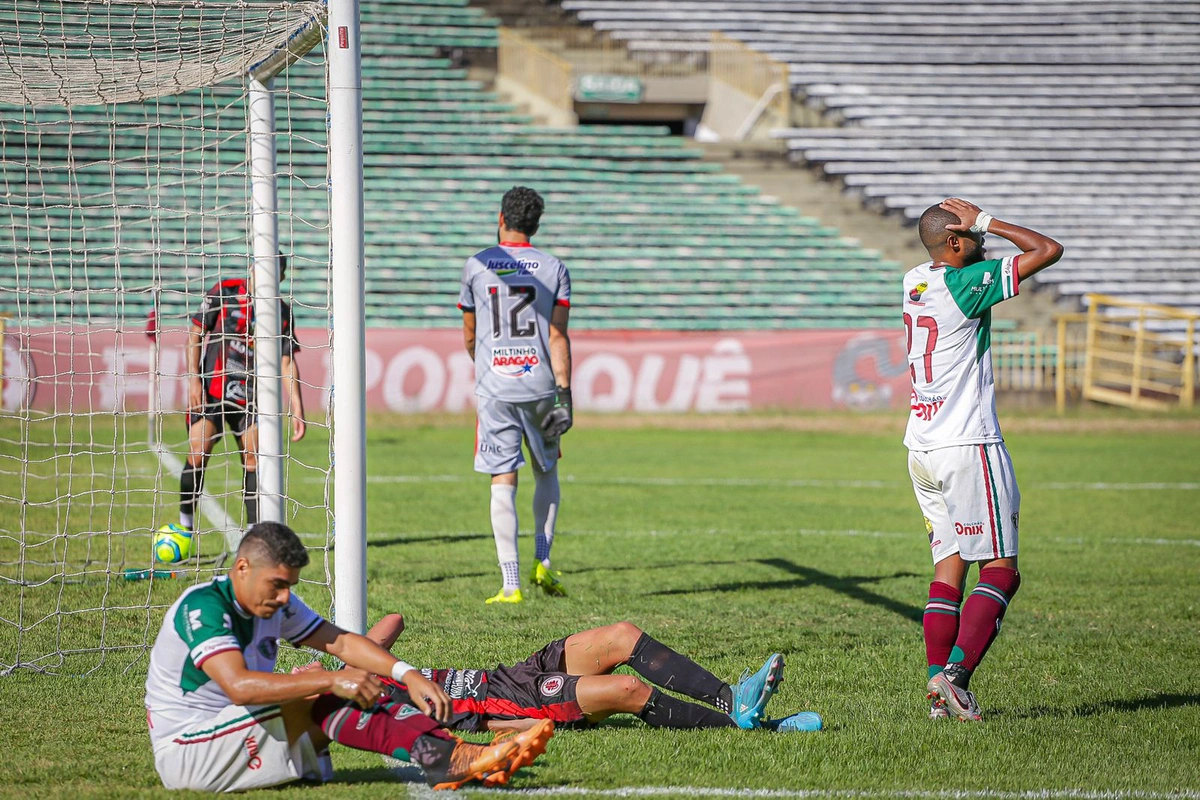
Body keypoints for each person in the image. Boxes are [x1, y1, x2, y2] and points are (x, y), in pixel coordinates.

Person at [144, 522, 553, 792]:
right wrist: (328, 680)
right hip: (189, 749)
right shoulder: (204, 607)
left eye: (290, 586)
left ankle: (457, 754)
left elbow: (339, 642)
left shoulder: (273, 602)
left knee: (352, 686)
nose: (285, 597)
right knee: (324, 690)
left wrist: (407, 673)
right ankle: (454, 758)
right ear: (242, 567)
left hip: (237, 733)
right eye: (277, 584)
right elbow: (239, 686)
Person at [903, 198, 1063, 721]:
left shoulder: (914, 279)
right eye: (972, 236)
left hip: (921, 445)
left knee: (949, 567)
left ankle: (936, 690)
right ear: (953, 243)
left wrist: (973, 231)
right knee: (1001, 569)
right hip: (967, 444)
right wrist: (987, 218)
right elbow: (1047, 250)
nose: (982, 241)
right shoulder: (965, 284)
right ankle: (956, 678)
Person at [326, 614, 821, 733]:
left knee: (623, 635)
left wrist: (348, 665)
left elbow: (393, 621)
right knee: (629, 689)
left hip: (513, 673)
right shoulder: (386, 709)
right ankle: (748, 724)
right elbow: (481, 725)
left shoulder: (367, 675)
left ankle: (731, 697)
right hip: (520, 701)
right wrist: (529, 725)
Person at [458, 187, 573, 604]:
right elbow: (558, 333)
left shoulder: (478, 264)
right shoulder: (554, 267)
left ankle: (511, 584)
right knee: (547, 472)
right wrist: (564, 393)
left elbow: (470, 333)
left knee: (502, 478)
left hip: (496, 387)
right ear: (536, 225)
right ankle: (543, 561)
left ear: (500, 217)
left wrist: (484, 360)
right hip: (542, 384)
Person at [180, 253, 307, 532]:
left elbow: (287, 360)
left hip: (250, 397)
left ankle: (253, 534)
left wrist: (297, 406)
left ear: (281, 279)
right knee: (199, 450)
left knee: (253, 458)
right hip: (211, 389)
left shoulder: (281, 312)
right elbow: (195, 334)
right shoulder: (224, 292)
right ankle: (184, 526)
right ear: (251, 269)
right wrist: (193, 379)